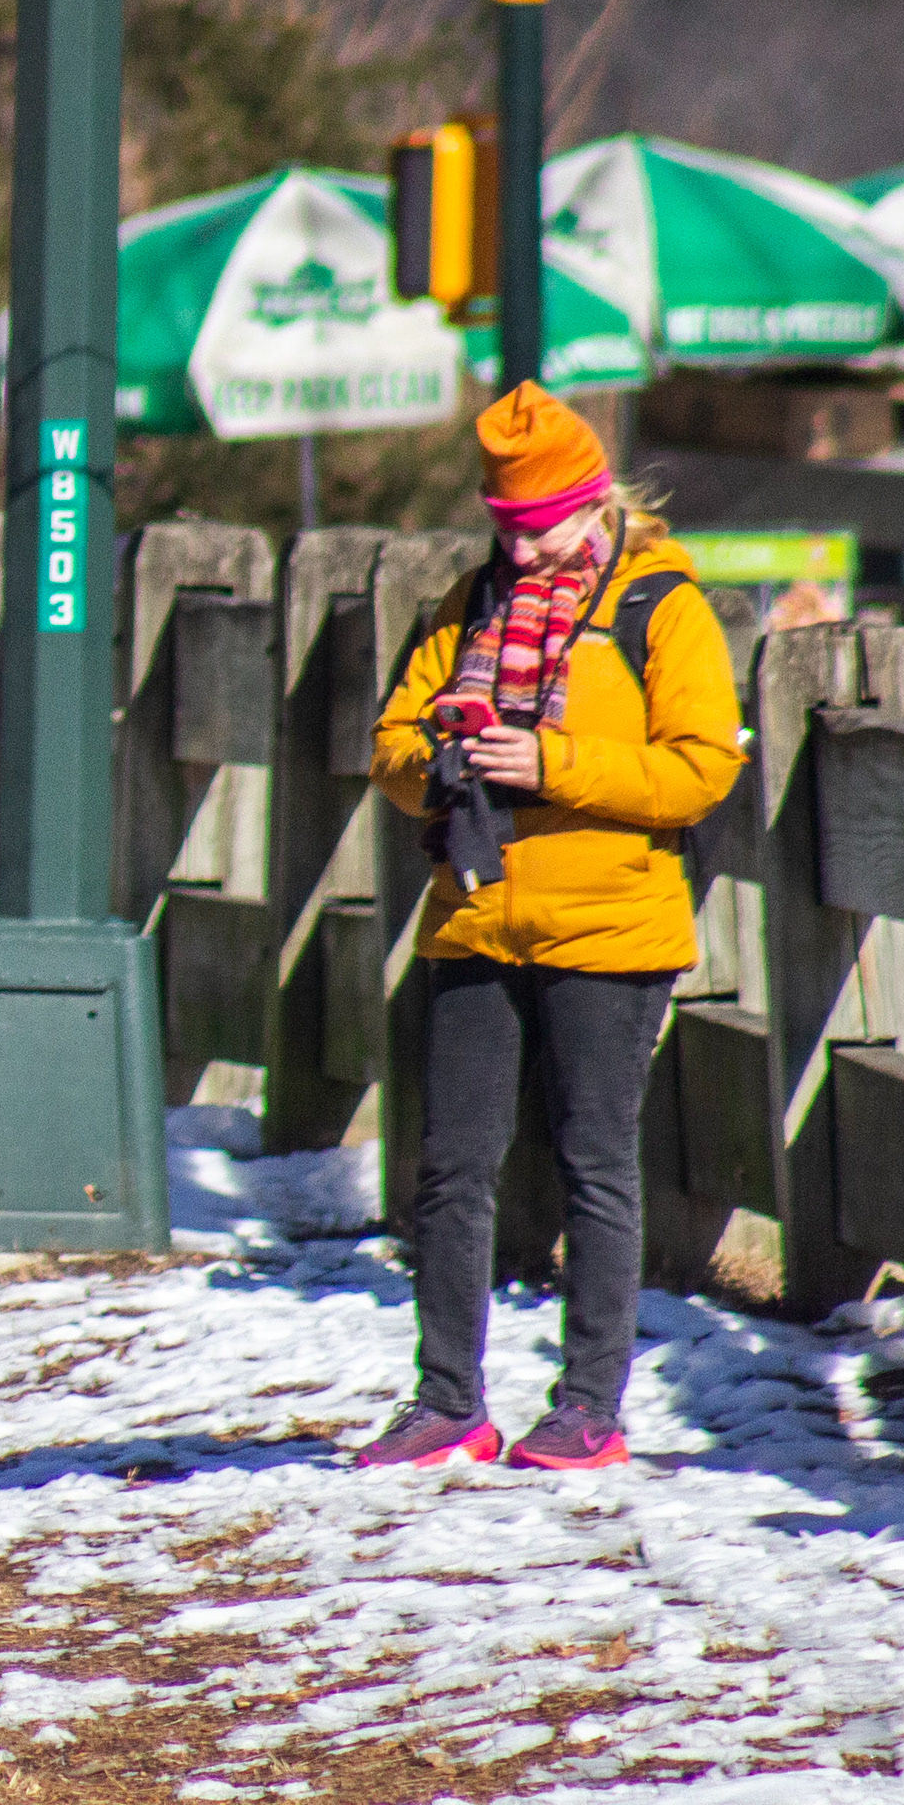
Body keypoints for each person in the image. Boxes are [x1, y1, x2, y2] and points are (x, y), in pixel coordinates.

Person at [361, 385, 742, 1476]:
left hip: (612, 931)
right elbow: (387, 743)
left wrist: (552, 763)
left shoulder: (662, 605)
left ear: (590, 504)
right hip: (478, 919)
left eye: (540, 526)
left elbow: (703, 767)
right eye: (504, 525)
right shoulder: (466, 602)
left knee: (594, 1166)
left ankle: (590, 1407)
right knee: (450, 1168)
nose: (522, 550)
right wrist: (436, 756)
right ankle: (448, 1401)